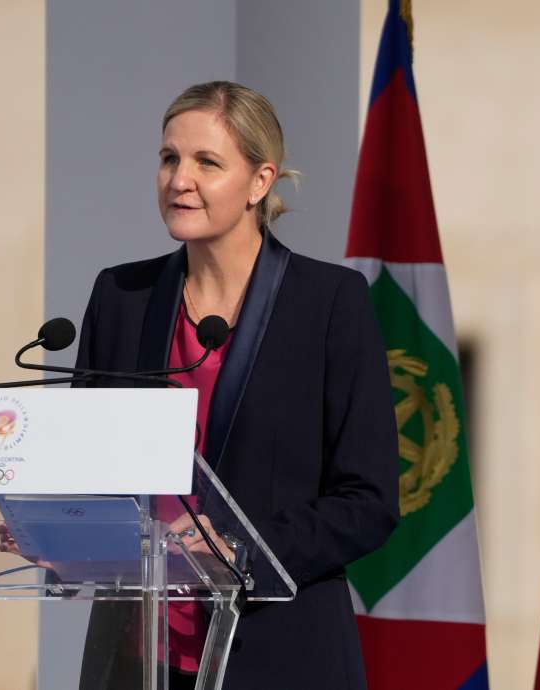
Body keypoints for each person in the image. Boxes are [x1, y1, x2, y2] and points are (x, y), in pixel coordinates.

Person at [71, 81, 399, 690]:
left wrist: (235, 543)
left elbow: (368, 502)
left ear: (260, 182)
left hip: (278, 655)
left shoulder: (329, 304)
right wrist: (59, 523)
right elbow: (87, 464)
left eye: (206, 163)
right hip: (138, 657)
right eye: (169, 158)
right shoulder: (121, 298)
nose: (178, 179)